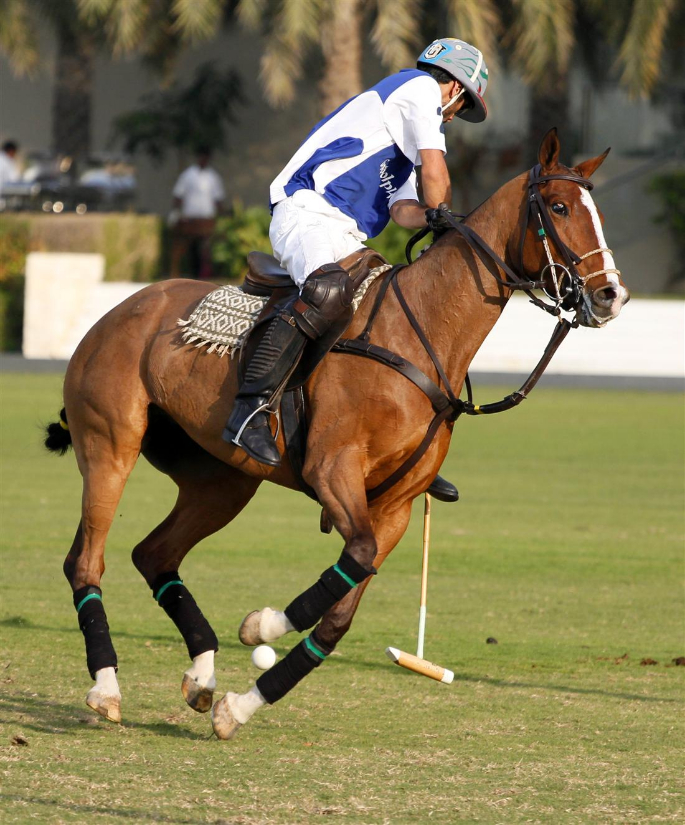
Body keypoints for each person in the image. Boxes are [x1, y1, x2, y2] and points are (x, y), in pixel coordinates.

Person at [223, 38, 489, 472]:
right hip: (306, 209)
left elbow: (403, 210)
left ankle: (390, 445)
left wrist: (433, 219)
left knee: (388, 312)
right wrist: (444, 214)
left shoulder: (400, 138)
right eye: (463, 107)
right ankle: (248, 409)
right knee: (328, 291)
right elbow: (435, 170)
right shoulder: (419, 88)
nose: (456, 116)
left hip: (347, 234)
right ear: (454, 90)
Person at [169, 146, 225, 280]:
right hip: (190, 218)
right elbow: (178, 196)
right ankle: (191, 273)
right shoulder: (188, 175)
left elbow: (218, 199)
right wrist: (176, 212)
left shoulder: (213, 177)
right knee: (189, 247)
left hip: (206, 219)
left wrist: (221, 217)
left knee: (205, 248)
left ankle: (204, 274)